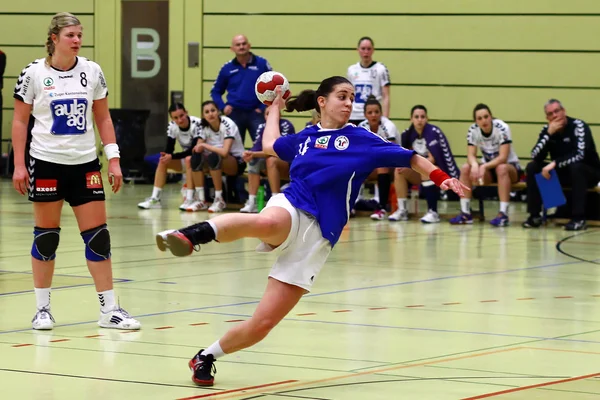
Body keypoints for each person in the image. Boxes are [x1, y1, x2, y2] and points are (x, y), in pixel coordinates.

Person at [154, 76, 468, 386]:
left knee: (263, 323)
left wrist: (441, 178)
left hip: (319, 235)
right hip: (293, 204)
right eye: (342, 96)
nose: (348, 103)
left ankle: (206, 357)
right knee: (268, 223)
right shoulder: (305, 138)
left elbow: (412, 157)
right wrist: (275, 106)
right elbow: (271, 145)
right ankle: (189, 235)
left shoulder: (361, 139)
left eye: (351, 97)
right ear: (322, 101)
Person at [11, 12, 140, 330]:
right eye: (71, 35)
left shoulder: (92, 71)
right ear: (54, 38)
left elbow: (104, 118)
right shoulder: (33, 74)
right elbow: (19, 121)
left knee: (99, 238)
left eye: (80, 34)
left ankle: (109, 309)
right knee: (46, 238)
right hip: (46, 163)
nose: (78, 40)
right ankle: (42, 309)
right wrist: (17, 165)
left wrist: (113, 159)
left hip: (85, 165)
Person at [523, 99, 600, 230]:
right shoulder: (548, 130)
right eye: (550, 114)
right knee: (533, 167)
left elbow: (580, 154)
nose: (554, 116)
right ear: (547, 117)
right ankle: (535, 215)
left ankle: (578, 218)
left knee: (576, 167)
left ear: (564, 111)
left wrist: (554, 163)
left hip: (589, 172)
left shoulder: (579, 126)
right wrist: (548, 134)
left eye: (557, 111)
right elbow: (535, 155)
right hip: (564, 172)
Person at [449, 104, 521, 227]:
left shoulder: (502, 128)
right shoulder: (473, 130)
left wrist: (483, 166)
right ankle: (465, 213)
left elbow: (503, 157)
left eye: (486, 117)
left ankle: (503, 214)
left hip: (510, 168)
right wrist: (475, 165)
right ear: (476, 121)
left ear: (491, 117)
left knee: (501, 168)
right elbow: (470, 155)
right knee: (466, 168)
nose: (484, 121)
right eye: (480, 118)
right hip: (489, 169)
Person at [390, 105, 459, 223]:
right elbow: (403, 157)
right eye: (416, 117)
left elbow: (434, 160)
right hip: (418, 171)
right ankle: (402, 210)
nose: (419, 120)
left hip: (439, 174)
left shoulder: (433, 133)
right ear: (411, 119)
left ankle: (433, 212)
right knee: (399, 170)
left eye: (422, 117)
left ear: (427, 118)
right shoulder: (407, 135)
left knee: (428, 170)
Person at [137, 103, 201, 211]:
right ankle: (155, 198)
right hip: (187, 159)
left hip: (200, 161)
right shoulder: (172, 126)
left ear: (186, 112)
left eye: (181, 116)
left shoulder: (197, 124)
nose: (180, 120)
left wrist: (172, 156)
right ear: (172, 118)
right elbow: (169, 149)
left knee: (189, 158)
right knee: (163, 161)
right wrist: (166, 156)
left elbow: (193, 151)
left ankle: (189, 199)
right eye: (176, 118)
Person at [210, 34, 272, 144]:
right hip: (235, 114)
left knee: (262, 146)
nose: (241, 47)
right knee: (234, 150)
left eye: (244, 44)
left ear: (249, 46)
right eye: (238, 45)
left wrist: (263, 107)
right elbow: (215, 91)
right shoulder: (227, 68)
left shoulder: (262, 64)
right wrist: (223, 107)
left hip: (256, 113)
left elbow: (273, 86)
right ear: (232, 49)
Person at [190, 100, 246, 213]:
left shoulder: (227, 124)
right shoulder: (203, 126)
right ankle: (201, 200)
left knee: (214, 157)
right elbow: (197, 148)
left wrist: (205, 145)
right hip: (215, 160)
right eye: (207, 112)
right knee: (195, 158)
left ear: (218, 112)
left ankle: (219, 199)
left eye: (213, 110)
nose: (210, 114)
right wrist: (200, 147)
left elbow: (225, 152)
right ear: (203, 115)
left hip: (236, 162)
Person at [241, 107, 295, 213]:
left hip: (288, 164)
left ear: (280, 114)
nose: (270, 116)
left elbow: (278, 151)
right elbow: (256, 148)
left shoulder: (285, 125)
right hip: (269, 164)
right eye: (267, 114)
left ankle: (275, 199)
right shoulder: (262, 127)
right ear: (264, 117)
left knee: (271, 160)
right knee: (253, 161)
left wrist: (254, 154)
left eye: (273, 113)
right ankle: (252, 201)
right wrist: (248, 154)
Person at [357, 96, 399, 220]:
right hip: (372, 163)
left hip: (395, 164)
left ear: (381, 113)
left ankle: (381, 208)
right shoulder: (362, 127)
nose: (373, 115)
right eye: (370, 112)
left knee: (382, 165)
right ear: (365, 115)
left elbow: (391, 152)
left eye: (376, 112)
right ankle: (351, 204)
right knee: (351, 166)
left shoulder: (388, 126)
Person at [347, 36, 390, 124]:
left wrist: (385, 119)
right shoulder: (351, 70)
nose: (366, 52)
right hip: (354, 115)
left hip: (372, 116)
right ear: (358, 50)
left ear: (373, 50)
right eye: (363, 49)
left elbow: (386, 96)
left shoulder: (381, 69)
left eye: (368, 49)